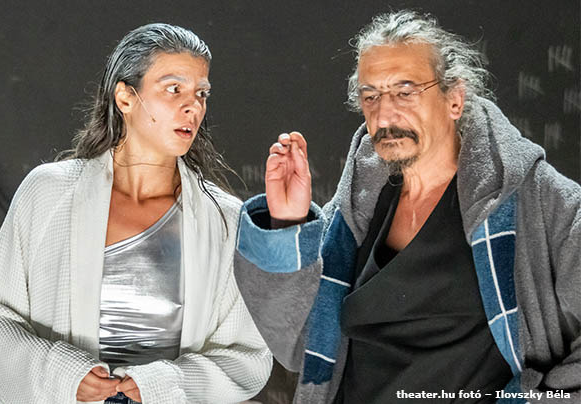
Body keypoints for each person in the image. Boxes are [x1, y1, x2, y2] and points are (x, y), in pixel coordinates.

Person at [234, 10, 580, 404]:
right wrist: (288, 221)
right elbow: (297, 346)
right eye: (371, 96)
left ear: (454, 99)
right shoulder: (358, 207)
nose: (384, 115)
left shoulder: (536, 201)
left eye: (405, 91)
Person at [0, 23, 271, 404]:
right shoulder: (48, 195)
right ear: (125, 97)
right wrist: (63, 375)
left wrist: (164, 384)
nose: (193, 106)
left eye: (201, 93)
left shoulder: (225, 222)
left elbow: (249, 354)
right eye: (174, 89)